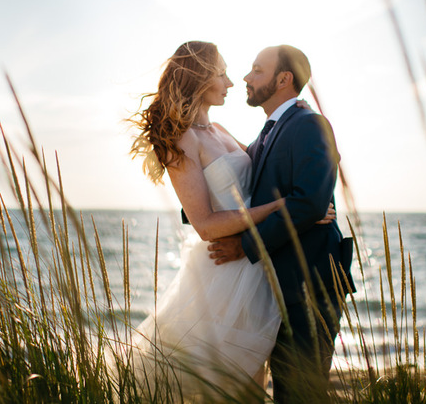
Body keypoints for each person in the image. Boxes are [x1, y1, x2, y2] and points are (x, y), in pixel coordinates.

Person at [128, 41, 334, 401]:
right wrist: (282, 207)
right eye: (221, 73)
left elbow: (264, 170)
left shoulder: (221, 129)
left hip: (259, 267)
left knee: (254, 383)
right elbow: (205, 223)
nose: (232, 81)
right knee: (224, 384)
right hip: (225, 270)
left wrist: (310, 204)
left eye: (247, 71)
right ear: (199, 78)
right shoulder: (182, 137)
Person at [207, 45, 354, 404]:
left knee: (300, 394)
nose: (246, 77)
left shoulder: (309, 124)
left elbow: (309, 202)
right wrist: (201, 217)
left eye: (257, 70)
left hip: (310, 284)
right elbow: (243, 191)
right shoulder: (269, 132)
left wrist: (244, 246)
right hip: (277, 287)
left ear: (283, 79)